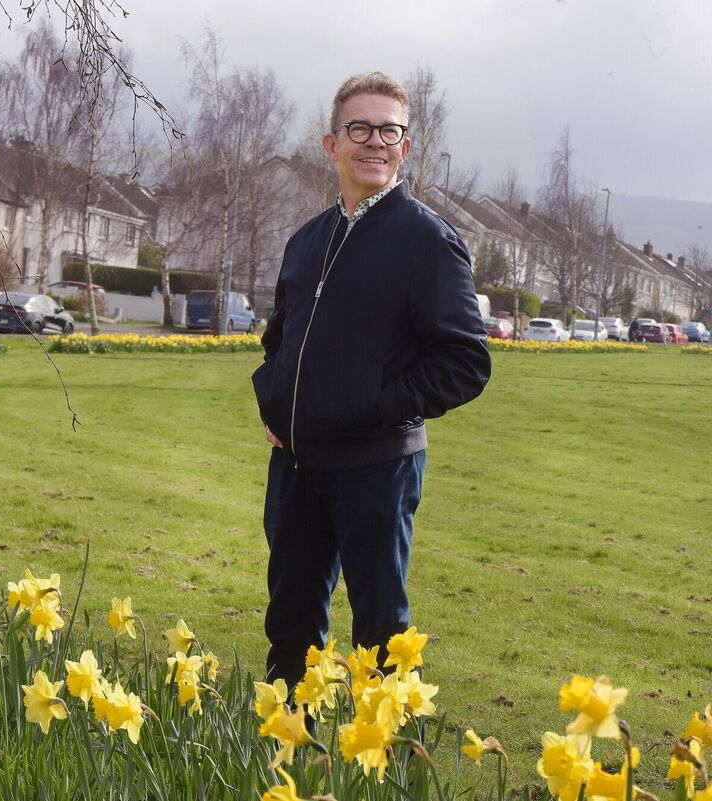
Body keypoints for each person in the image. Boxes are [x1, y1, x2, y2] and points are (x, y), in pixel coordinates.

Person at [251, 71, 491, 689]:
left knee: (381, 634)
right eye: (360, 128)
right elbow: (279, 336)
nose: (375, 142)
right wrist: (276, 405)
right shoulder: (307, 240)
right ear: (333, 144)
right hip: (298, 468)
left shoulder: (427, 241)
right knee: (291, 626)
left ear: (406, 147)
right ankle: (288, 760)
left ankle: (385, 765)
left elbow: (466, 361)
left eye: (390, 130)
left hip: (376, 470)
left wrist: (374, 408)